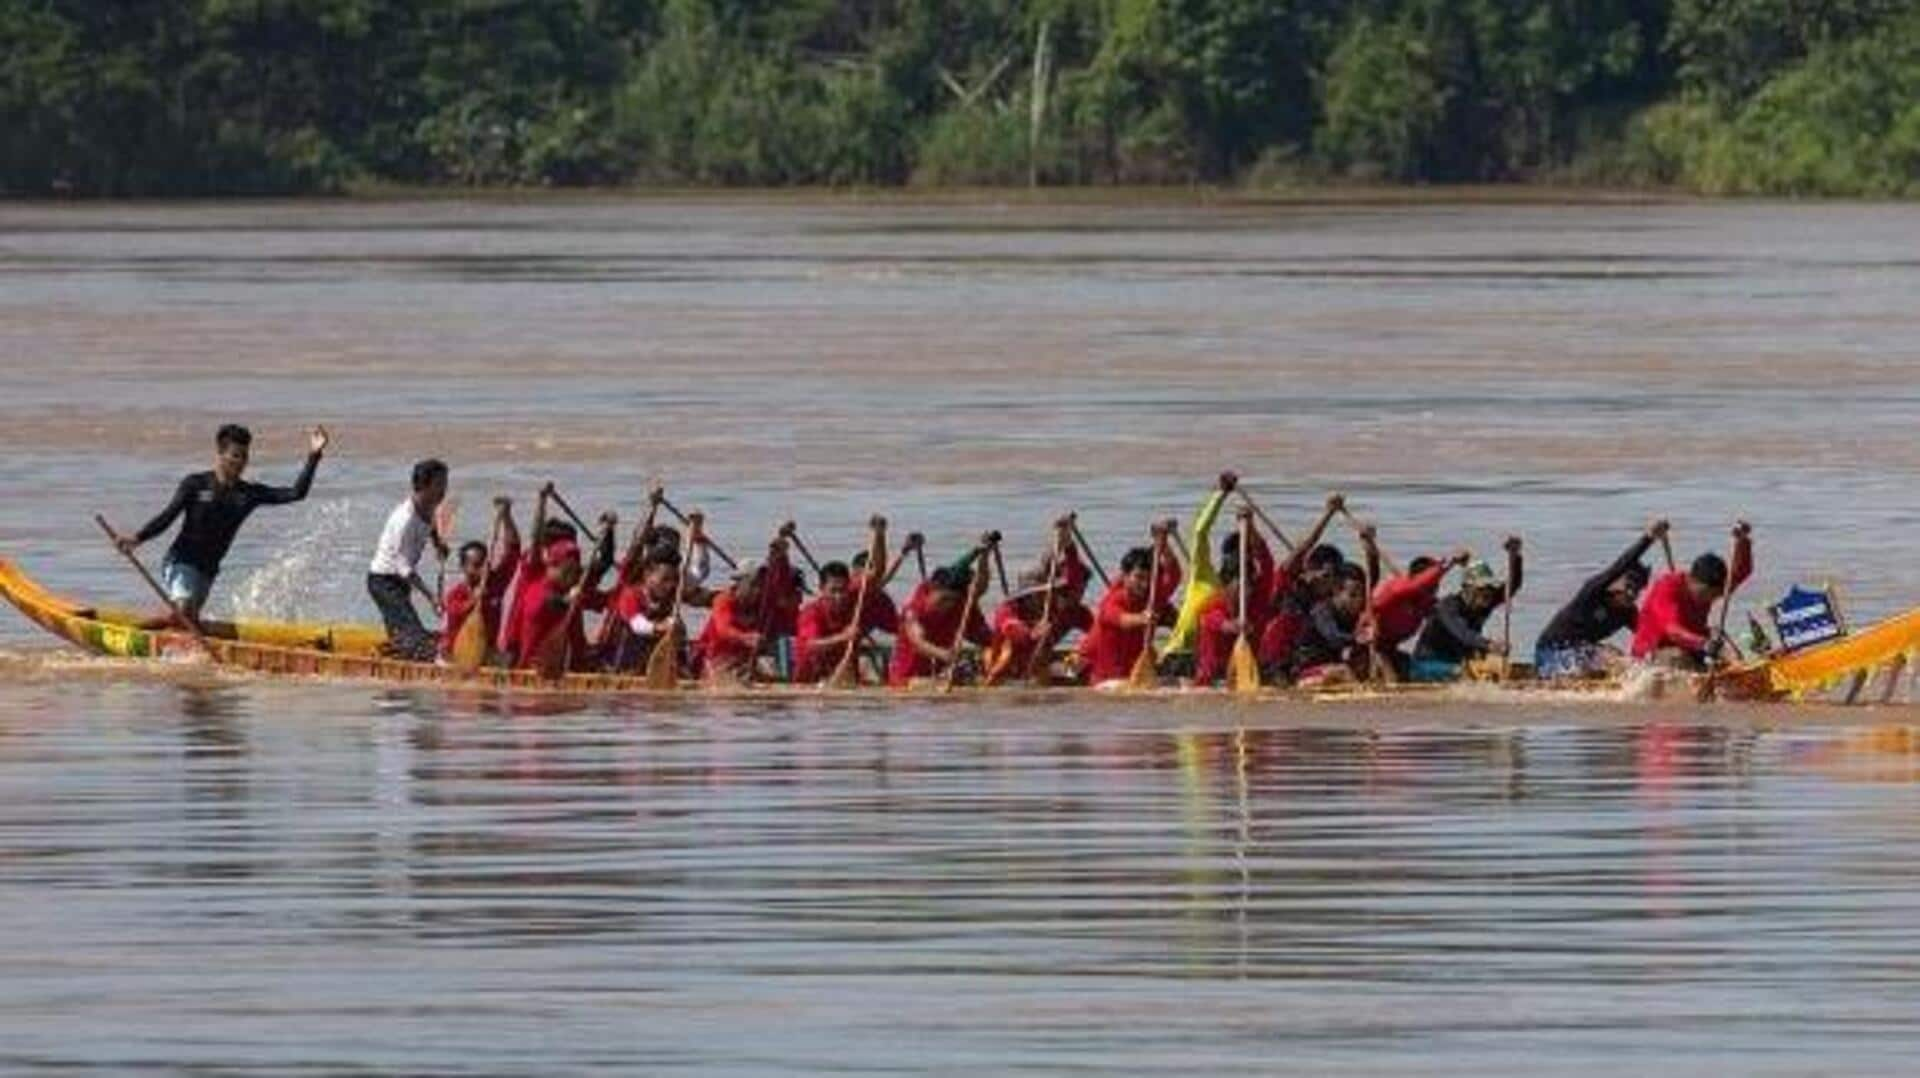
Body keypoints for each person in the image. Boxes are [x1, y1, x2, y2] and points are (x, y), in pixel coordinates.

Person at [116, 424, 329, 624]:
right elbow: (167, 517)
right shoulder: (195, 484)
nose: (241, 462)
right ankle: (143, 632)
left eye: (245, 456)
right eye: (235, 455)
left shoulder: (248, 494)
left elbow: (296, 493)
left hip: (208, 571)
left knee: (188, 621)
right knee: (184, 609)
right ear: (220, 454)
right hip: (180, 562)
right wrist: (137, 538)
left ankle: (164, 633)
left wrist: (314, 454)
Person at [1535, 520, 1666, 680]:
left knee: (1618, 656)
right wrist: (1648, 538)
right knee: (1608, 655)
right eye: (1629, 587)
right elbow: (1618, 566)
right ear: (1617, 582)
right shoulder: (1592, 593)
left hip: (1583, 652)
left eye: (1637, 590)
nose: (1632, 594)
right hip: (1550, 653)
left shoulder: (1628, 612)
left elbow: (1648, 636)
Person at [1631, 522, 1754, 669]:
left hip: (1693, 646)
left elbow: (1742, 571)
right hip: (1653, 651)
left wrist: (1743, 541)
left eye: (1715, 595)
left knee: (1721, 638)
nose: (1710, 599)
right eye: (1705, 594)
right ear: (1691, 580)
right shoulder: (1667, 587)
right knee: (1677, 656)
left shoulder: (1714, 588)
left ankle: (1737, 674)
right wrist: (1704, 644)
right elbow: (1672, 630)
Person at [365, 460, 452, 661]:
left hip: (399, 583)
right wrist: (431, 597)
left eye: (445, 484)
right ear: (424, 485)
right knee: (414, 636)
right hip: (383, 582)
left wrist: (438, 544)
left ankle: (394, 654)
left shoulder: (429, 506)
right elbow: (403, 567)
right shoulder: (405, 519)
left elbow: (430, 526)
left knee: (402, 635)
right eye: (440, 485)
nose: (444, 491)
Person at [1076, 526, 1182, 685]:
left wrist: (1164, 546)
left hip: (1134, 675)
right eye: (1138, 578)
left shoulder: (1153, 596)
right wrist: (1141, 618)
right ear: (1124, 577)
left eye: (1148, 579)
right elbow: (1122, 619)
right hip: (1106, 680)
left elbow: (1173, 573)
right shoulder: (1112, 601)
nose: (1144, 584)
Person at [1411, 538, 1524, 681]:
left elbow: (1512, 586)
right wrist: (1490, 645)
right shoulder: (1447, 607)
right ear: (1467, 589)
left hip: (1459, 661)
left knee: (1497, 668)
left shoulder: (1485, 602)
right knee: (1464, 672)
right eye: (1481, 589)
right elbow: (1463, 634)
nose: (1487, 594)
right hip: (1427, 664)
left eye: (1489, 589)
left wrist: (1516, 556)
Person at [695, 534, 797, 684]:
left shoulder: (764, 601)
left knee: (776, 672)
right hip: (717, 660)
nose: (758, 590)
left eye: (761, 585)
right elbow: (724, 629)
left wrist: (781, 556)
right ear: (739, 583)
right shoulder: (723, 600)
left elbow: (781, 583)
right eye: (753, 584)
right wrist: (745, 638)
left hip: (747, 662)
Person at [889, 547, 995, 686]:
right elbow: (918, 642)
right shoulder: (914, 610)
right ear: (932, 588)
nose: (948, 605)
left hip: (940, 673)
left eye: (952, 600)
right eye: (944, 599)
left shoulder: (959, 603)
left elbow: (980, 586)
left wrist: (984, 556)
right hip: (907, 678)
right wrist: (944, 655)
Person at [440, 497, 521, 661]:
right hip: (455, 654)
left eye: (484, 564)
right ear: (463, 567)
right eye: (476, 565)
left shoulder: (496, 583)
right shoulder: (455, 594)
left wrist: (506, 516)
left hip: (486, 653)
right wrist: (475, 599)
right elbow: (456, 613)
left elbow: (513, 549)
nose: (482, 569)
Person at [604, 547, 687, 673]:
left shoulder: (670, 595)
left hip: (655, 665)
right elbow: (638, 624)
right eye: (664, 579)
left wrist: (699, 544)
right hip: (625, 665)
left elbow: (698, 572)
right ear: (647, 574)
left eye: (674, 580)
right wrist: (660, 627)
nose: (670, 585)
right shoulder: (630, 595)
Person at [1289, 562, 1370, 686]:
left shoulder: (1352, 614)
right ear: (1337, 590)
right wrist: (1357, 639)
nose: (1359, 601)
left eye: (1361, 595)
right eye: (1353, 595)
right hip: (1305, 673)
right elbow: (1333, 637)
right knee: (1344, 671)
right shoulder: (1321, 611)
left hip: (1331, 668)